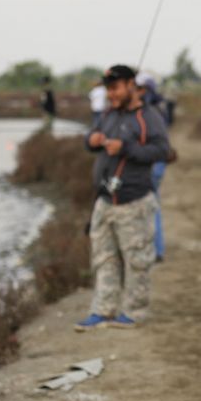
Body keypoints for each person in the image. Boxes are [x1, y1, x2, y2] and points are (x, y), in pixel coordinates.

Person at [75, 65, 170, 331]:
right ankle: (103, 311)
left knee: (137, 260)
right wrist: (90, 140)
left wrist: (126, 148)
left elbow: (162, 151)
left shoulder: (149, 117)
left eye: (115, 88)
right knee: (103, 259)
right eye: (108, 88)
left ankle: (134, 312)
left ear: (131, 85)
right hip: (104, 202)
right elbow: (89, 140)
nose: (111, 94)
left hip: (135, 201)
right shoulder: (107, 114)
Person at [135, 71, 169, 262]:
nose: (136, 92)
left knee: (146, 205)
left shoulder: (148, 112)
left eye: (139, 89)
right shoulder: (160, 109)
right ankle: (157, 249)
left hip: (151, 164)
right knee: (152, 204)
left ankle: (153, 249)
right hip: (157, 163)